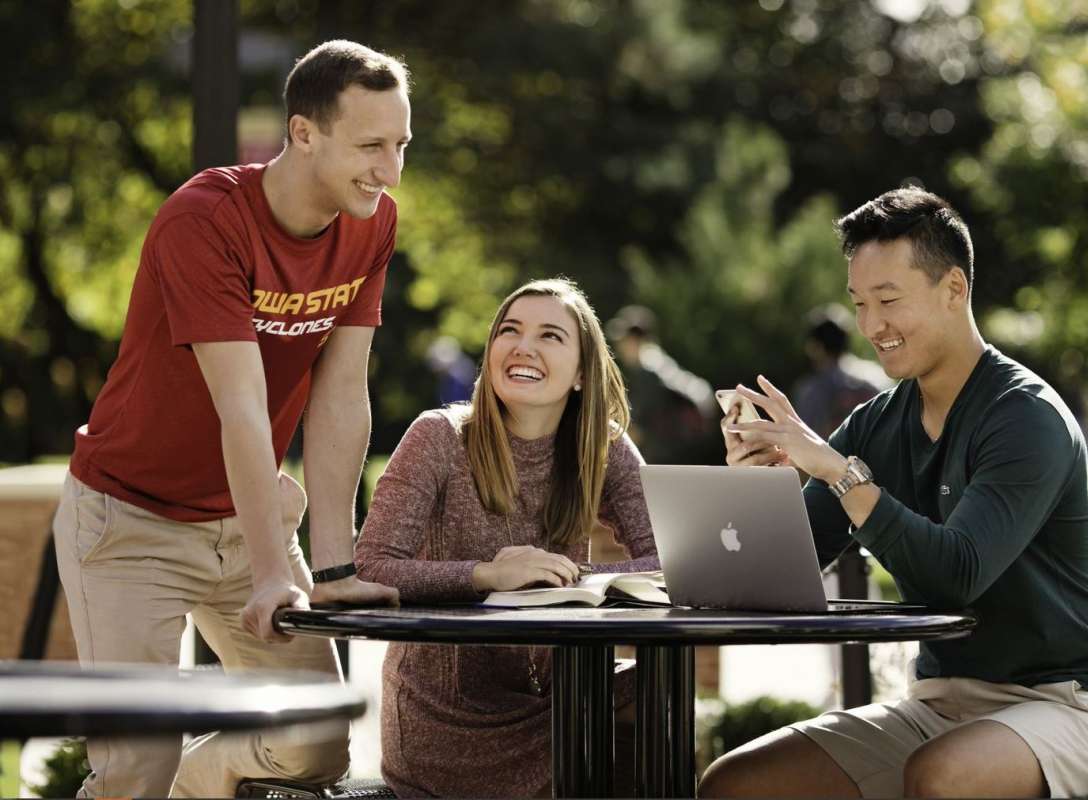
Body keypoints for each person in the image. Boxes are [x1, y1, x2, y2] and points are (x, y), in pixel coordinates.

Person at [701, 187, 1088, 799]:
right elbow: (778, 569)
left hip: (1072, 706)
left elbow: (957, 574)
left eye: (889, 300)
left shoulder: (1025, 416)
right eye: (860, 303)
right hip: (941, 706)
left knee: (941, 776)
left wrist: (838, 472)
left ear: (954, 289)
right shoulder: (875, 423)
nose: (872, 326)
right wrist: (761, 485)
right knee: (737, 784)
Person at [51, 40, 407, 798]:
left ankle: (182, 786)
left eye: (402, 145)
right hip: (128, 524)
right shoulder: (203, 220)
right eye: (371, 146)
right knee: (133, 770)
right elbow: (240, 406)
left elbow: (342, 394)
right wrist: (276, 575)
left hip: (246, 518)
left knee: (312, 751)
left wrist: (333, 567)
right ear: (303, 132)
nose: (390, 169)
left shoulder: (372, 222)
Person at [356, 278, 659, 797]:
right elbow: (373, 566)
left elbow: (670, 557)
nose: (524, 346)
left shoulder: (602, 447)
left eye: (550, 336)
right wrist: (488, 575)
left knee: (651, 691)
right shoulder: (439, 436)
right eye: (510, 330)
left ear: (583, 372)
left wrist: (569, 578)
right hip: (446, 719)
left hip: (557, 699)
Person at [606, 304, 715, 463]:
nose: (620, 348)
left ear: (634, 340)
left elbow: (635, 431)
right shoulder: (660, 362)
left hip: (666, 458)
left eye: (623, 341)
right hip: (686, 454)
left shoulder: (647, 371)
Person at [792, 304, 891, 439]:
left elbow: (803, 439)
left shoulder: (811, 390)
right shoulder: (877, 376)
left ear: (816, 347)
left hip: (827, 458)